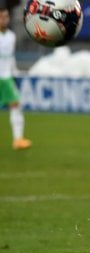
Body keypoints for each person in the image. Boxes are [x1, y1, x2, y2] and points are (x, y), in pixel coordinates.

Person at [0, 7, 30, 150]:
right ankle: (17, 139)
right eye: (1, 17)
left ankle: (18, 140)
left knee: (16, 105)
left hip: (6, 78)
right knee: (16, 106)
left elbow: (10, 58)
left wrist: (15, 72)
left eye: (5, 17)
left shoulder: (11, 36)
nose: (4, 20)